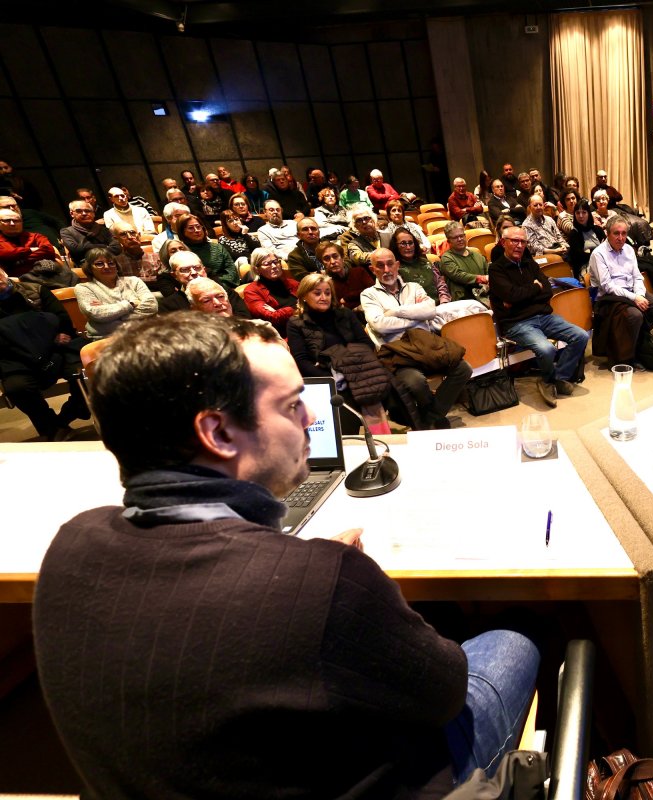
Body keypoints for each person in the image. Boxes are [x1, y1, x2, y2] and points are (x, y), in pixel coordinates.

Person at [33, 311, 539, 798]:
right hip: (395, 776)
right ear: (218, 433)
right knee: (514, 639)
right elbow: (444, 694)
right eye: (292, 404)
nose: (313, 416)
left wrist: (293, 567)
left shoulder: (71, 542)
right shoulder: (323, 581)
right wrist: (334, 582)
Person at [360, 248, 473, 429]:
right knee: (416, 382)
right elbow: (379, 324)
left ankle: (427, 419)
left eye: (390, 264)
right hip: (398, 353)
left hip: (426, 346)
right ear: (373, 269)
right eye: (380, 266)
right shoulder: (368, 294)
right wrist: (415, 318)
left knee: (464, 368)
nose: (387, 270)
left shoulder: (414, 287)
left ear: (397, 265)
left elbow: (430, 310)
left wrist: (396, 312)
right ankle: (435, 417)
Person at [489, 227, 588, 408]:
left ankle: (558, 377)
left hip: (543, 316)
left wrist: (522, 296)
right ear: (504, 242)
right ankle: (548, 381)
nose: (519, 245)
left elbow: (547, 290)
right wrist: (535, 289)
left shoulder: (530, 264)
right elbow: (512, 295)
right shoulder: (496, 270)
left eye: (523, 242)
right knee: (546, 349)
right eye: (514, 241)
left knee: (581, 336)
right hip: (517, 323)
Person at [287, 273, 398, 435]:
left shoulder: (345, 314)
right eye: (317, 293)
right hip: (326, 379)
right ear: (304, 296)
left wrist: (347, 366)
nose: (323, 297)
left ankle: (382, 444)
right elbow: (302, 361)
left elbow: (366, 344)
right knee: (349, 403)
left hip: (357, 372)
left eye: (327, 292)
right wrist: (331, 377)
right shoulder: (296, 323)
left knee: (385, 388)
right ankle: (349, 444)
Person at [0, 265, 89, 440]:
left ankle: (70, 414)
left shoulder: (35, 289)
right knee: (18, 388)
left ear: (4, 272)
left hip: (53, 348)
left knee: (85, 371)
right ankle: (52, 428)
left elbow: (62, 319)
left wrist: (52, 337)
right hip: (15, 359)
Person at [589, 217, 653, 366]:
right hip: (609, 299)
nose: (621, 238)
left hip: (631, 292)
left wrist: (639, 294)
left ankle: (634, 341)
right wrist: (635, 298)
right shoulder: (598, 254)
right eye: (616, 233)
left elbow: (637, 276)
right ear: (607, 234)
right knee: (636, 315)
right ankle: (627, 355)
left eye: (624, 233)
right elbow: (608, 286)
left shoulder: (628, 249)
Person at [74, 247, 158, 339]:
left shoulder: (134, 281)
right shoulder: (83, 288)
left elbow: (151, 306)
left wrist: (110, 312)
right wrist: (130, 304)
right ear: (90, 268)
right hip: (108, 338)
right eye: (99, 264)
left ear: (117, 266)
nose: (107, 266)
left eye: (111, 263)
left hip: (144, 333)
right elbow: (96, 314)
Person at [242, 247, 299, 336]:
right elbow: (272, 318)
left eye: (276, 262)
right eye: (267, 264)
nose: (274, 266)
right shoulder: (251, 291)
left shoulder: (292, 283)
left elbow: (312, 302)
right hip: (280, 335)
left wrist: (280, 312)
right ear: (257, 269)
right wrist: (299, 307)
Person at [177, 214, 238, 292]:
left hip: (224, 287)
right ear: (183, 232)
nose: (197, 230)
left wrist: (218, 286)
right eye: (191, 228)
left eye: (198, 227)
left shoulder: (218, 247)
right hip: (196, 290)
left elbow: (232, 272)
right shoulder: (183, 253)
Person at [0, 206, 62, 281]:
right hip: (20, 281)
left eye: (16, 220)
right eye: (7, 221)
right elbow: (3, 254)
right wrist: (29, 250)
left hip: (49, 272)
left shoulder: (36, 236)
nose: (12, 224)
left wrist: (17, 260)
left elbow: (48, 250)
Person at [439, 222, 489, 304]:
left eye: (461, 236)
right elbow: (458, 275)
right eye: (455, 237)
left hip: (484, 295)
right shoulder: (446, 258)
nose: (459, 239)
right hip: (464, 301)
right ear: (449, 241)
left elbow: (488, 273)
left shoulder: (478, 256)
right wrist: (482, 278)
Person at [316, 241, 373, 309]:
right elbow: (337, 308)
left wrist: (347, 298)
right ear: (322, 263)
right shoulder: (326, 283)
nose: (332, 262)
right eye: (327, 259)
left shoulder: (359, 271)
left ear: (342, 257)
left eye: (335, 256)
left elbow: (373, 291)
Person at [566, 202, 605, 279]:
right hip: (585, 267)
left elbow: (607, 248)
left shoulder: (598, 230)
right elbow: (580, 257)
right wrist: (598, 251)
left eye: (584, 212)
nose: (581, 216)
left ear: (588, 214)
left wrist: (590, 251)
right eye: (578, 213)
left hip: (603, 263)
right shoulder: (574, 234)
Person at [186, 276, 251, 319]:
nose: (218, 303)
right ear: (195, 309)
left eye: (220, 296)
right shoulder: (193, 337)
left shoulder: (253, 327)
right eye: (206, 301)